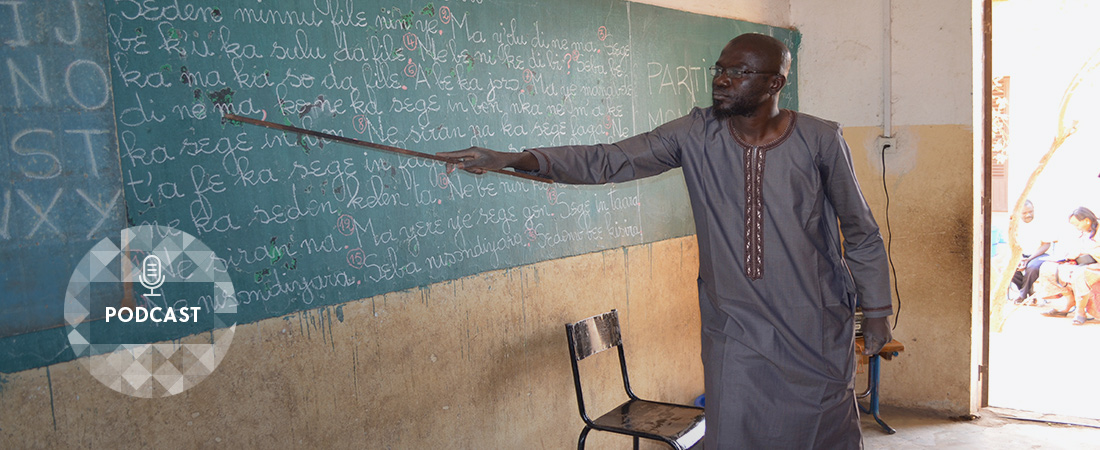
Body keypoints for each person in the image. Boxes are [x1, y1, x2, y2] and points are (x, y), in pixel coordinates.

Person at [442, 33, 893, 448]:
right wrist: (514, 158)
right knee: (735, 430)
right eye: (719, 69)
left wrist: (876, 312)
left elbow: (861, 231)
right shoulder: (695, 134)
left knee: (821, 433)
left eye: (738, 72)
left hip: (813, 322)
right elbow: (609, 160)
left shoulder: (819, 139)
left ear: (775, 83)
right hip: (735, 325)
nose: (721, 80)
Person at [1035, 207, 1100, 325]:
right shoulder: (1082, 232)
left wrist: (1085, 253)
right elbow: (1074, 248)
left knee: (1079, 274)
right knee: (1048, 267)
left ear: (1087, 221)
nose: (1076, 228)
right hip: (1080, 263)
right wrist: (1070, 255)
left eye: (1077, 225)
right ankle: (1069, 302)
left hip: (1096, 266)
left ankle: (1080, 311)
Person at [1013, 200, 1057, 304]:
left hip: (1040, 255)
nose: (1028, 215)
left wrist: (1028, 259)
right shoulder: (1014, 224)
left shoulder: (1042, 223)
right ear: (1018, 213)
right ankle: (1029, 292)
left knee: (1032, 268)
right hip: (1021, 255)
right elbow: (1013, 245)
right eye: (1024, 213)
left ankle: (1022, 295)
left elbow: (1046, 244)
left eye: (1030, 212)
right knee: (1011, 269)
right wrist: (1020, 259)